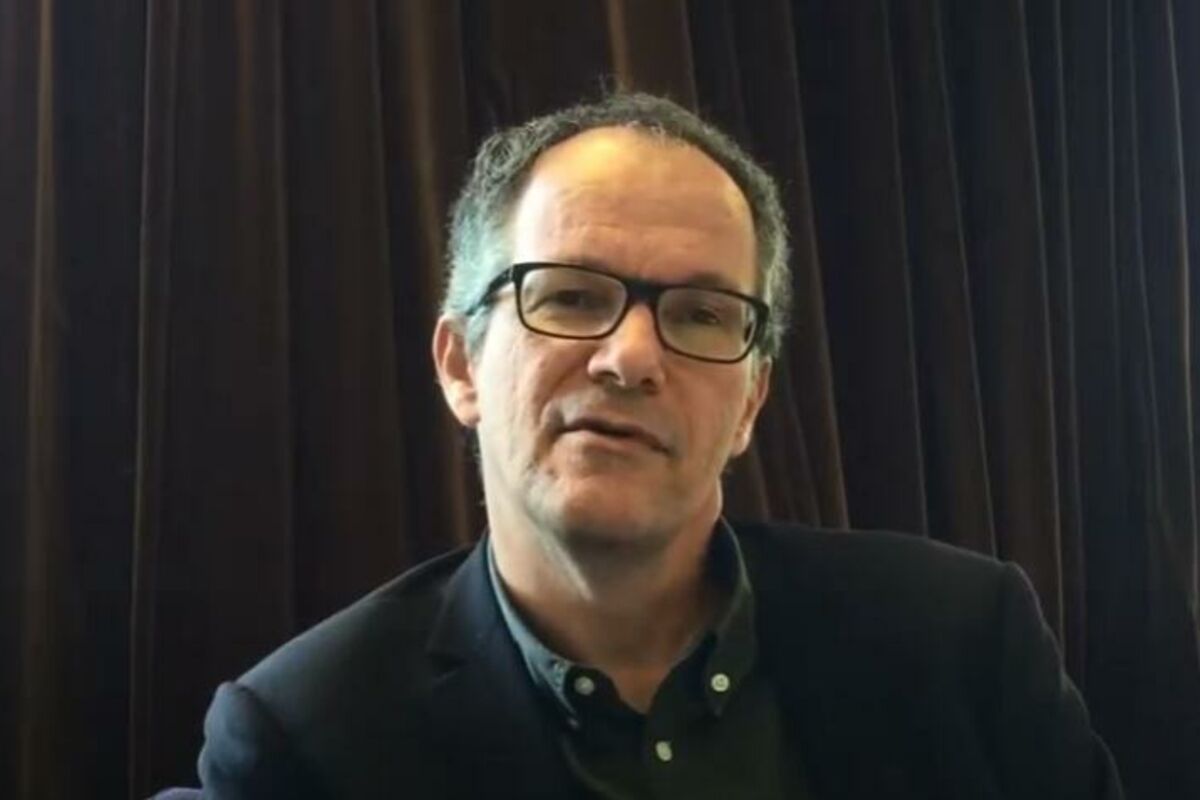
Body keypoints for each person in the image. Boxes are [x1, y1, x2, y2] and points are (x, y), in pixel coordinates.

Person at [196, 92, 1123, 799]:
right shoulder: (308, 738)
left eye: (702, 314)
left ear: (751, 400)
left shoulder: (964, 645)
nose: (632, 358)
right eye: (569, 295)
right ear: (461, 364)